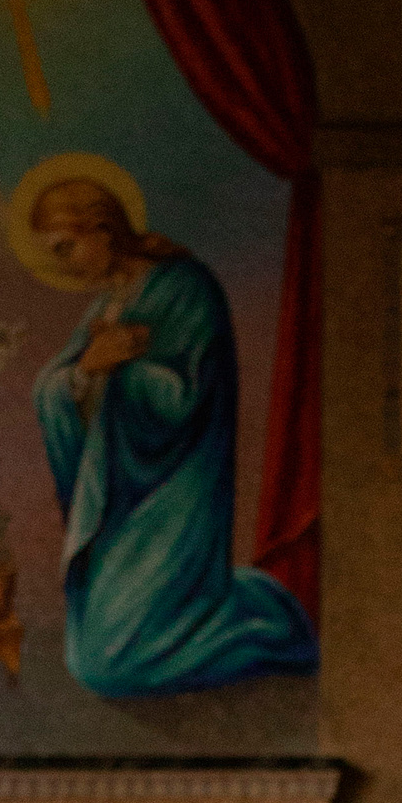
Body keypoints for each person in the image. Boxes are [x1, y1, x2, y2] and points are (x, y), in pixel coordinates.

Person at [29, 175, 318, 696]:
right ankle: (238, 602)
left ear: (101, 228)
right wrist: (83, 375)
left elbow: (184, 405)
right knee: (89, 658)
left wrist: (122, 372)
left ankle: (264, 623)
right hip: (121, 502)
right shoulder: (110, 301)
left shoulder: (185, 287)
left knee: (109, 664)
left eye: (66, 248)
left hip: (177, 497)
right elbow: (55, 387)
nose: (65, 266)